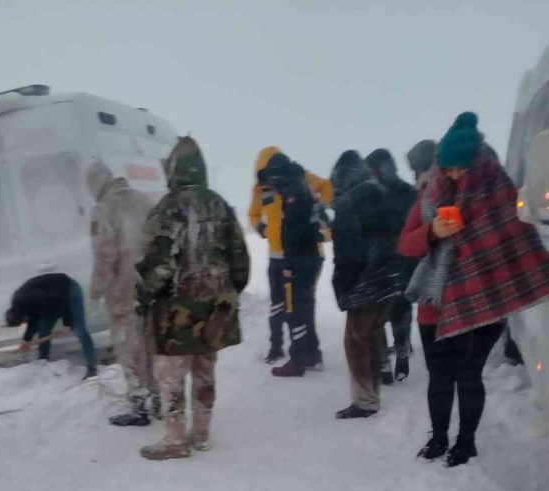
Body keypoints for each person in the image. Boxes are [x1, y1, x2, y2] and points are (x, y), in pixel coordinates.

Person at [400, 112, 549, 466]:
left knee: (468, 375)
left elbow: (518, 244)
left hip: (485, 301)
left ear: (476, 164)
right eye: (445, 168)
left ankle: (465, 442)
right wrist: (433, 232)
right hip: (435, 304)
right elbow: (405, 246)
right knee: (439, 377)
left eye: (457, 169)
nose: (450, 176)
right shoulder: (428, 199)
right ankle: (438, 438)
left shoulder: (501, 196)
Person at [136, 136, 249, 460]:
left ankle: (175, 440)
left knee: (170, 373)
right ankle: (201, 433)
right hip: (215, 305)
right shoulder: (219, 204)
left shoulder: (168, 208)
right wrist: (228, 292)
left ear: (173, 171)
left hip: (177, 308)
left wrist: (143, 297)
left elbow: (159, 262)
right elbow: (240, 258)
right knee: (204, 368)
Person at [330, 151, 405, 419]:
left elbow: (346, 255)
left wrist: (343, 289)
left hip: (365, 280)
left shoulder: (347, 204)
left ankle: (365, 401)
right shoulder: (383, 193)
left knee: (355, 341)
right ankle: (372, 393)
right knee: (373, 335)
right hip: (391, 277)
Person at [86, 159, 156, 426]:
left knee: (129, 349)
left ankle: (139, 407)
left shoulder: (103, 210)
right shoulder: (142, 199)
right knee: (152, 345)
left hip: (123, 293)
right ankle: (160, 398)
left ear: (94, 184)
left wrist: (95, 292)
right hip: (150, 289)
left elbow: (105, 257)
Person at [248, 147, 333, 363]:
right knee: (278, 304)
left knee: (303, 303)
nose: (270, 181)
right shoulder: (260, 189)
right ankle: (276, 346)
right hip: (277, 255)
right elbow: (253, 214)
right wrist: (261, 229)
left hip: (305, 252)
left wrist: (319, 207)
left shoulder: (301, 177)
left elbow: (327, 187)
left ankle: (310, 352)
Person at [365, 148, 418, 384]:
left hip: (403, 259)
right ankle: (384, 364)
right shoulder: (369, 194)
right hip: (377, 261)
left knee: (400, 311)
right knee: (377, 313)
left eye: (373, 170)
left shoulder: (407, 193)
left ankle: (403, 352)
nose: (371, 175)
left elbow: (416, 225)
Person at [7, 273, 97, 379]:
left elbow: (61, 300)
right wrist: (26, 340)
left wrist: (67, 323)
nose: (25, 321)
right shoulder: (21, 304)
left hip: (68, 290)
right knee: (43, 331)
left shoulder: (30, 298)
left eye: (23, 321)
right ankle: (43, 363)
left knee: (80, 330)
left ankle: (92, 369)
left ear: (21, 315)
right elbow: (34, 319)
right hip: (51, 301)